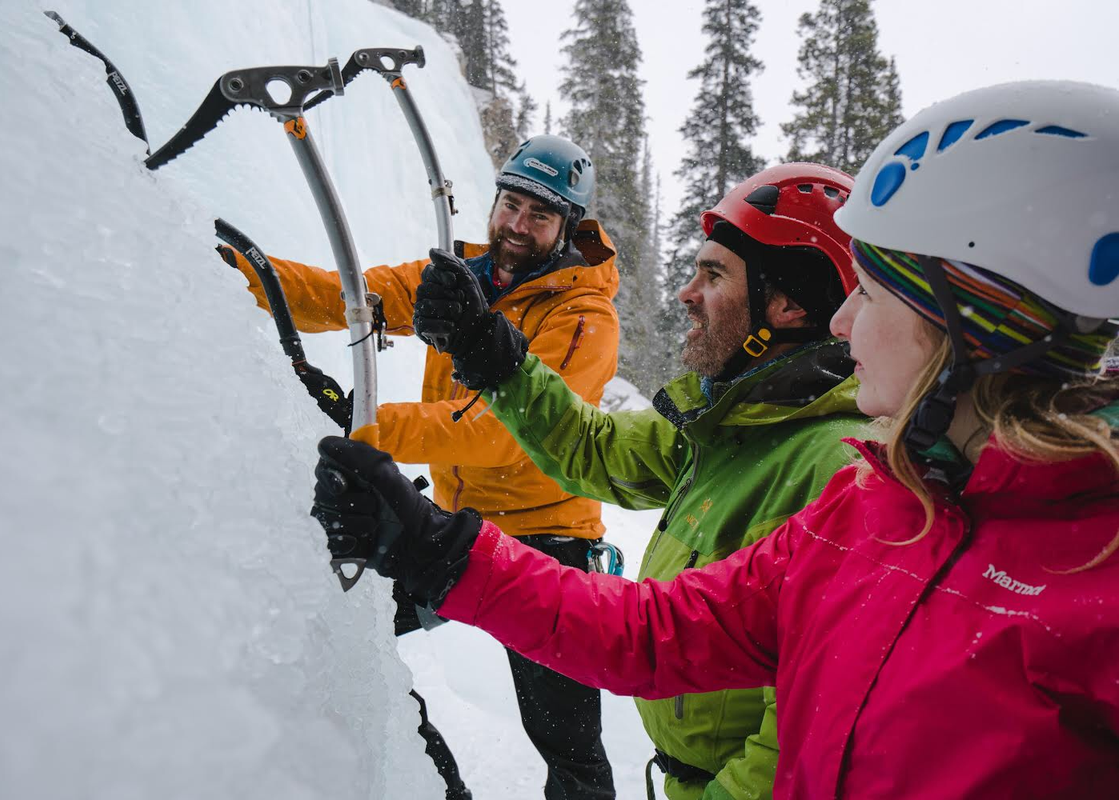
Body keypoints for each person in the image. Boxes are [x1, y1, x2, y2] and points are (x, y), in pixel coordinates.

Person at [311, 80, 1119, 797]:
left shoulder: (848, 474)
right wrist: (442, 535)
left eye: (870, 295)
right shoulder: (873, 507)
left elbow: (776, 750)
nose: (845, 323)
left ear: (968, 325)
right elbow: (654, 631)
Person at [413, 163, 864, 800]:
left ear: (788, 305)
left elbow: (800, 736)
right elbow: (594, 450)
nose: (685, 294)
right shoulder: (734, 423)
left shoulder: (833, 466)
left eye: (712, 275)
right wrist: (497, 356)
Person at [220, 135, 621, 800]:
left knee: (569, 749)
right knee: (351, 637)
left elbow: (504, 434)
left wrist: (365, 421)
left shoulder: (584, 318)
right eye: (510, 204)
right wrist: (241, 273)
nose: (516, 226)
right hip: (457, 528)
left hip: (550, 545)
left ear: (568, 228)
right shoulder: (458, 281)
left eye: (539, 216)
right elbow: (346, 295)